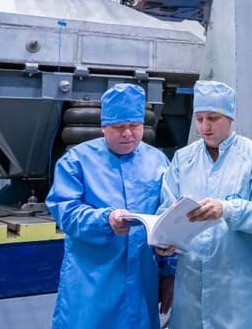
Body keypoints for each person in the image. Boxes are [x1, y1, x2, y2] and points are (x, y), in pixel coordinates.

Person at [46, 83, 175, 329]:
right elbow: (66, 213)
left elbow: (168, 218)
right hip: (93, 282)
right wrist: (105, 220)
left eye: (134, 126)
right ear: (104, 127)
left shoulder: (158, 161)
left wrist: (169, 273)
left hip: (141, 280)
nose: (127, 133)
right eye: (118, 127)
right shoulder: (76, 161)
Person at [157, 80, 252, 328]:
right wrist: (165, 239)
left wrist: (228, 210)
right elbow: (166, 210)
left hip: (237, 295)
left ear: (230, 117)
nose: (205, 126)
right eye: (199, 118)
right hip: (190, 292)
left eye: (213, 118)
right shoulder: (183, 160)